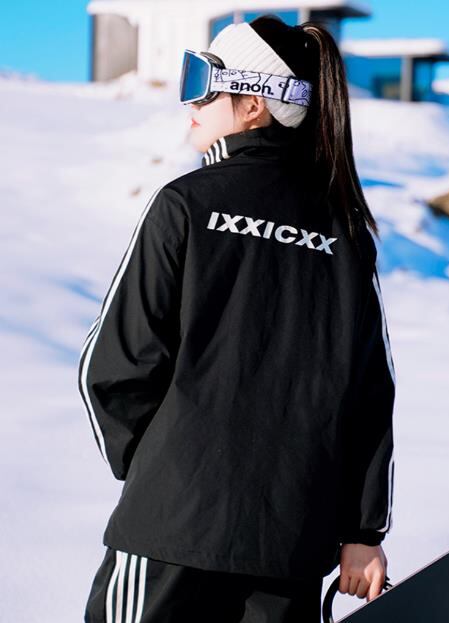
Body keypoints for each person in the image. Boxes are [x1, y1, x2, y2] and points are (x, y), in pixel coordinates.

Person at [78, 15, 396, 623]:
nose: (190, 104)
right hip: (289, 547)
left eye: (203, 83)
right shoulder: (346, 233)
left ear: (253, 105)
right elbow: (369, 397)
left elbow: (112, 367)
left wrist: (167, 469)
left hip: (168, 533)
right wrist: (363, 531)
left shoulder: (186, 204)